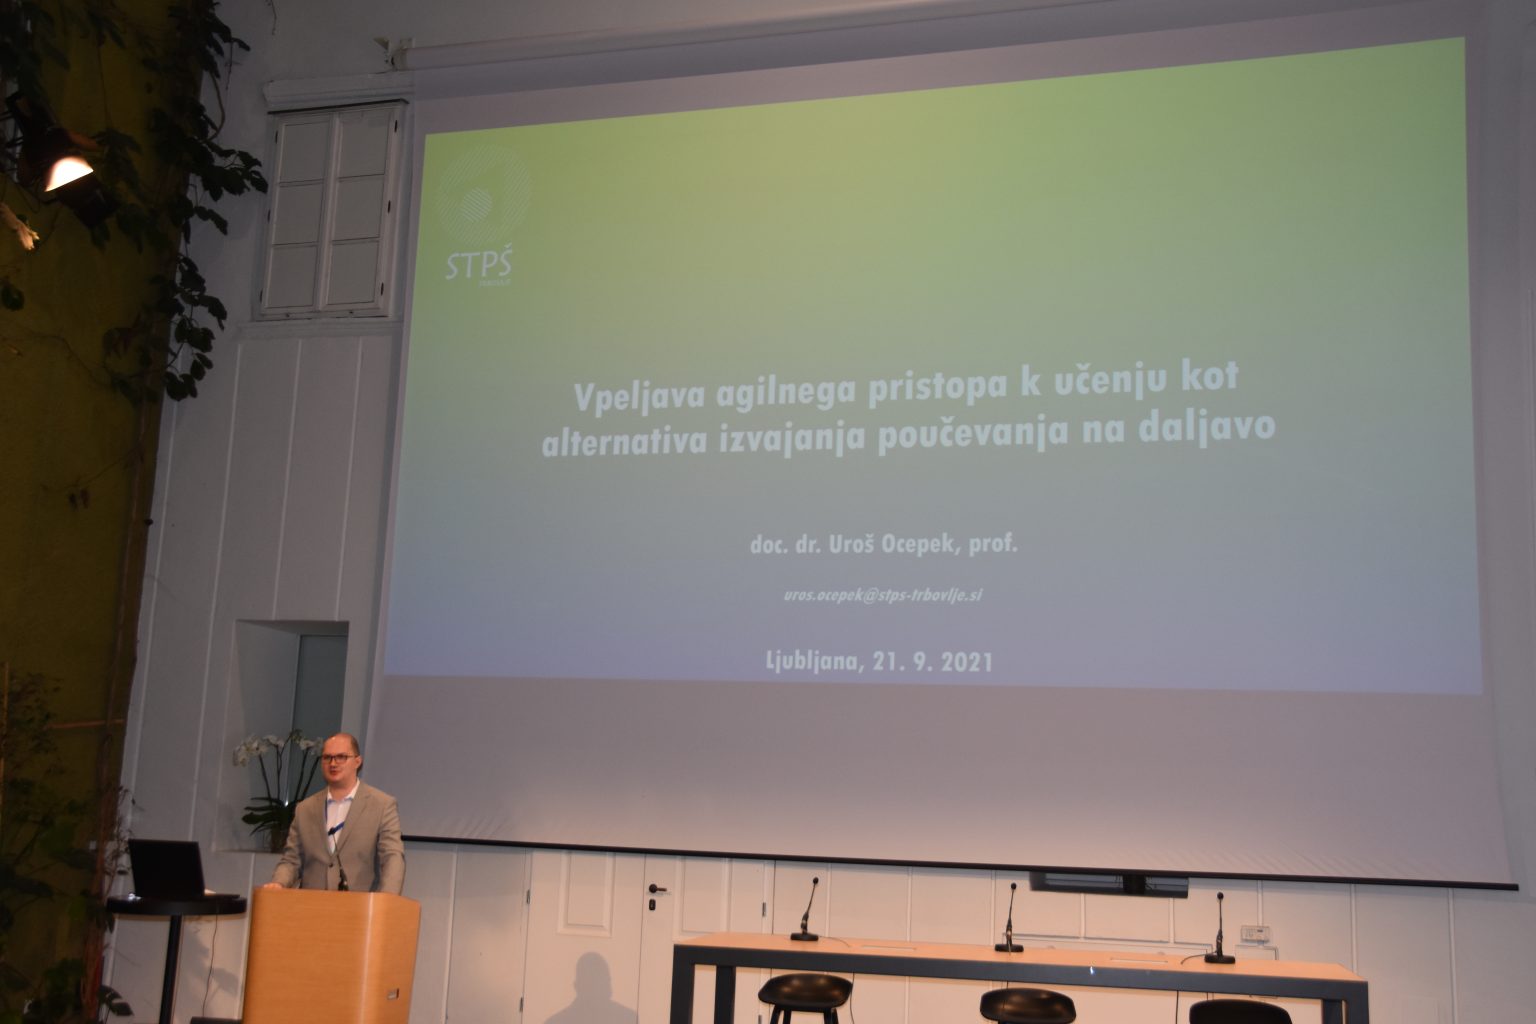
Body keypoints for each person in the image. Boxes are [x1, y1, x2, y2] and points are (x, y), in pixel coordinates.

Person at [264, 732, 404, 894]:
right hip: (311, 904)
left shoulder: (382, 805)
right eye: (327, 757)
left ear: (357, 761)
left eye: (341, 757)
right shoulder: (305, 809)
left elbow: (392, 858)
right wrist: (279, 883)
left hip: (361, 904)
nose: (333, 763)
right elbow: (291, 860)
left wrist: (387, 900)